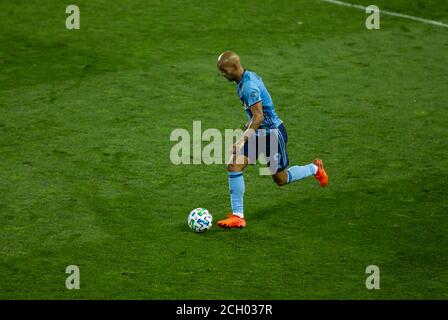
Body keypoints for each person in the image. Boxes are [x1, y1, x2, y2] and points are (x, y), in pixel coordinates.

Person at [216, 51, 328, 229]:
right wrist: (246, 129)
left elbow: (259, 116)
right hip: (260, 133)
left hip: (273, 135)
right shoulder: (245, 79)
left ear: (235, 67)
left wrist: (241, 141)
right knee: (233, 165)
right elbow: (256, 116)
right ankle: (238, 216)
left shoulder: (248, 86)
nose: (222, 74)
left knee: (281, 180)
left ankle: (315, 168)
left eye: (224, 70)